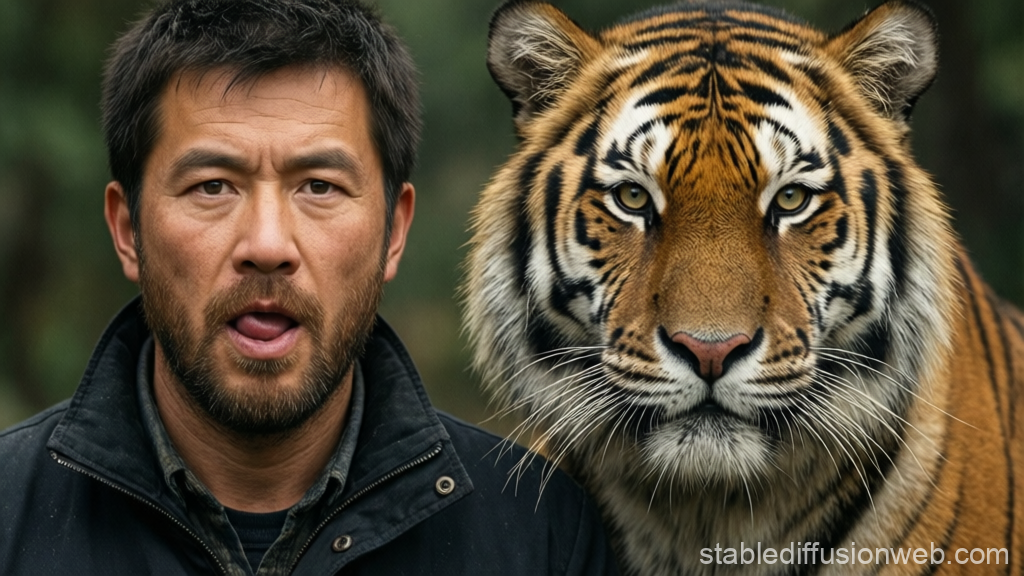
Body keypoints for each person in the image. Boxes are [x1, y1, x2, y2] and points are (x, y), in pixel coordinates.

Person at [0, 1, 619, 574]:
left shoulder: (545, 537)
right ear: (128, 230)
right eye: (212, 185)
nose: (267, 246)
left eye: (319, 186)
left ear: (393, 232)